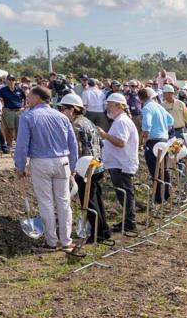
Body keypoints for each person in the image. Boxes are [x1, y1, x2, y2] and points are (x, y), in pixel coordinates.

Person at [13, 86, 78, 252]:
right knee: (64, 202)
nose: (27, 99)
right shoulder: (62, 117)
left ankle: (51, 241)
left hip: (41, 162)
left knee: (46, 202)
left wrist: (20, 166)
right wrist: (73, 165)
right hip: (62, 161)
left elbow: (21, 145)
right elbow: (73, 144)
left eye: (29, 96)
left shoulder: (28, 117)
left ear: (38, 98)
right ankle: (66, 240)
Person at [58, 93, 111, 244]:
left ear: (72, 109)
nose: (61, 112)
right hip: (96, 165)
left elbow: (76, 148)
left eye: (63, 109)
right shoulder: (88, 122)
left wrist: (73, 168)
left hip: (85, 168)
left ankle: (97, 234)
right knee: (97, 199)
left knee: (88, 201)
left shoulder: (76, 125)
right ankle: (103, 231)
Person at [99, 92, 139, 234]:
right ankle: (128, 220)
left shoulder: (121, 121)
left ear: (119, 106)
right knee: (124, 194)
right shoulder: (120, 120)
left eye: (111, 105)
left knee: (125, 194)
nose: (108, 108)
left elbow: (121, 142)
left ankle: (130, 222)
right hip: (119, 162)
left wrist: (104, 135)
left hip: (121, 163)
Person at [139, 87, 174, 203]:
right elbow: (171, 120)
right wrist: (163, 128)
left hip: (154, 141)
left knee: (154, 169)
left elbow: (147, 125)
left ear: (140, 99)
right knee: (164, 168)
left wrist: (144, 137)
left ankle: (158, 196)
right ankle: (166, 194)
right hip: (164, 140)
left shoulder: (146, 108)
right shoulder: (159, 106)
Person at [0, 75, 24, 151]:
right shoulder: (2, 90)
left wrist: (23, 107)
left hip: (18, 111)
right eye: (9, 79)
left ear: (15, 81)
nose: (11, 81)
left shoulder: (19, 89)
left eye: (12, 79)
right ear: (6, 80)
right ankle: (9, 145)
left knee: (19, 129)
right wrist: (3, 107)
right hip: (9, 111)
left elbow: (25, 98)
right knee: (9, 129)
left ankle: (18, 145)